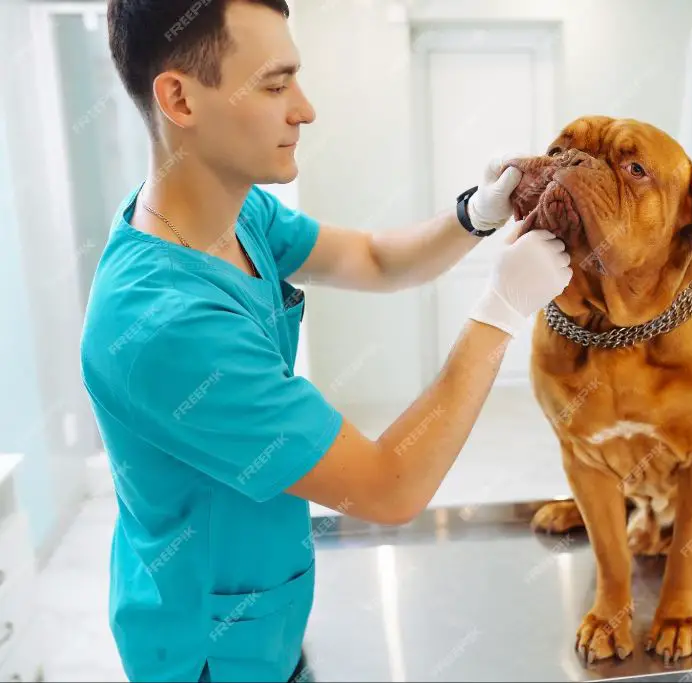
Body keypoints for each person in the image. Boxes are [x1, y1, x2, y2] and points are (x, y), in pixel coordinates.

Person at [79, 1, 571, 681]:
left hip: (260, 611)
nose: (305, 110)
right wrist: (501, 310)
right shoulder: (166, 326)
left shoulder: (233, 209)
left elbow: (371, 258)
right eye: (276, 85)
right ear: (179, 98)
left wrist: (474, 216)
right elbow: (388, 486)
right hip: (209, 655)